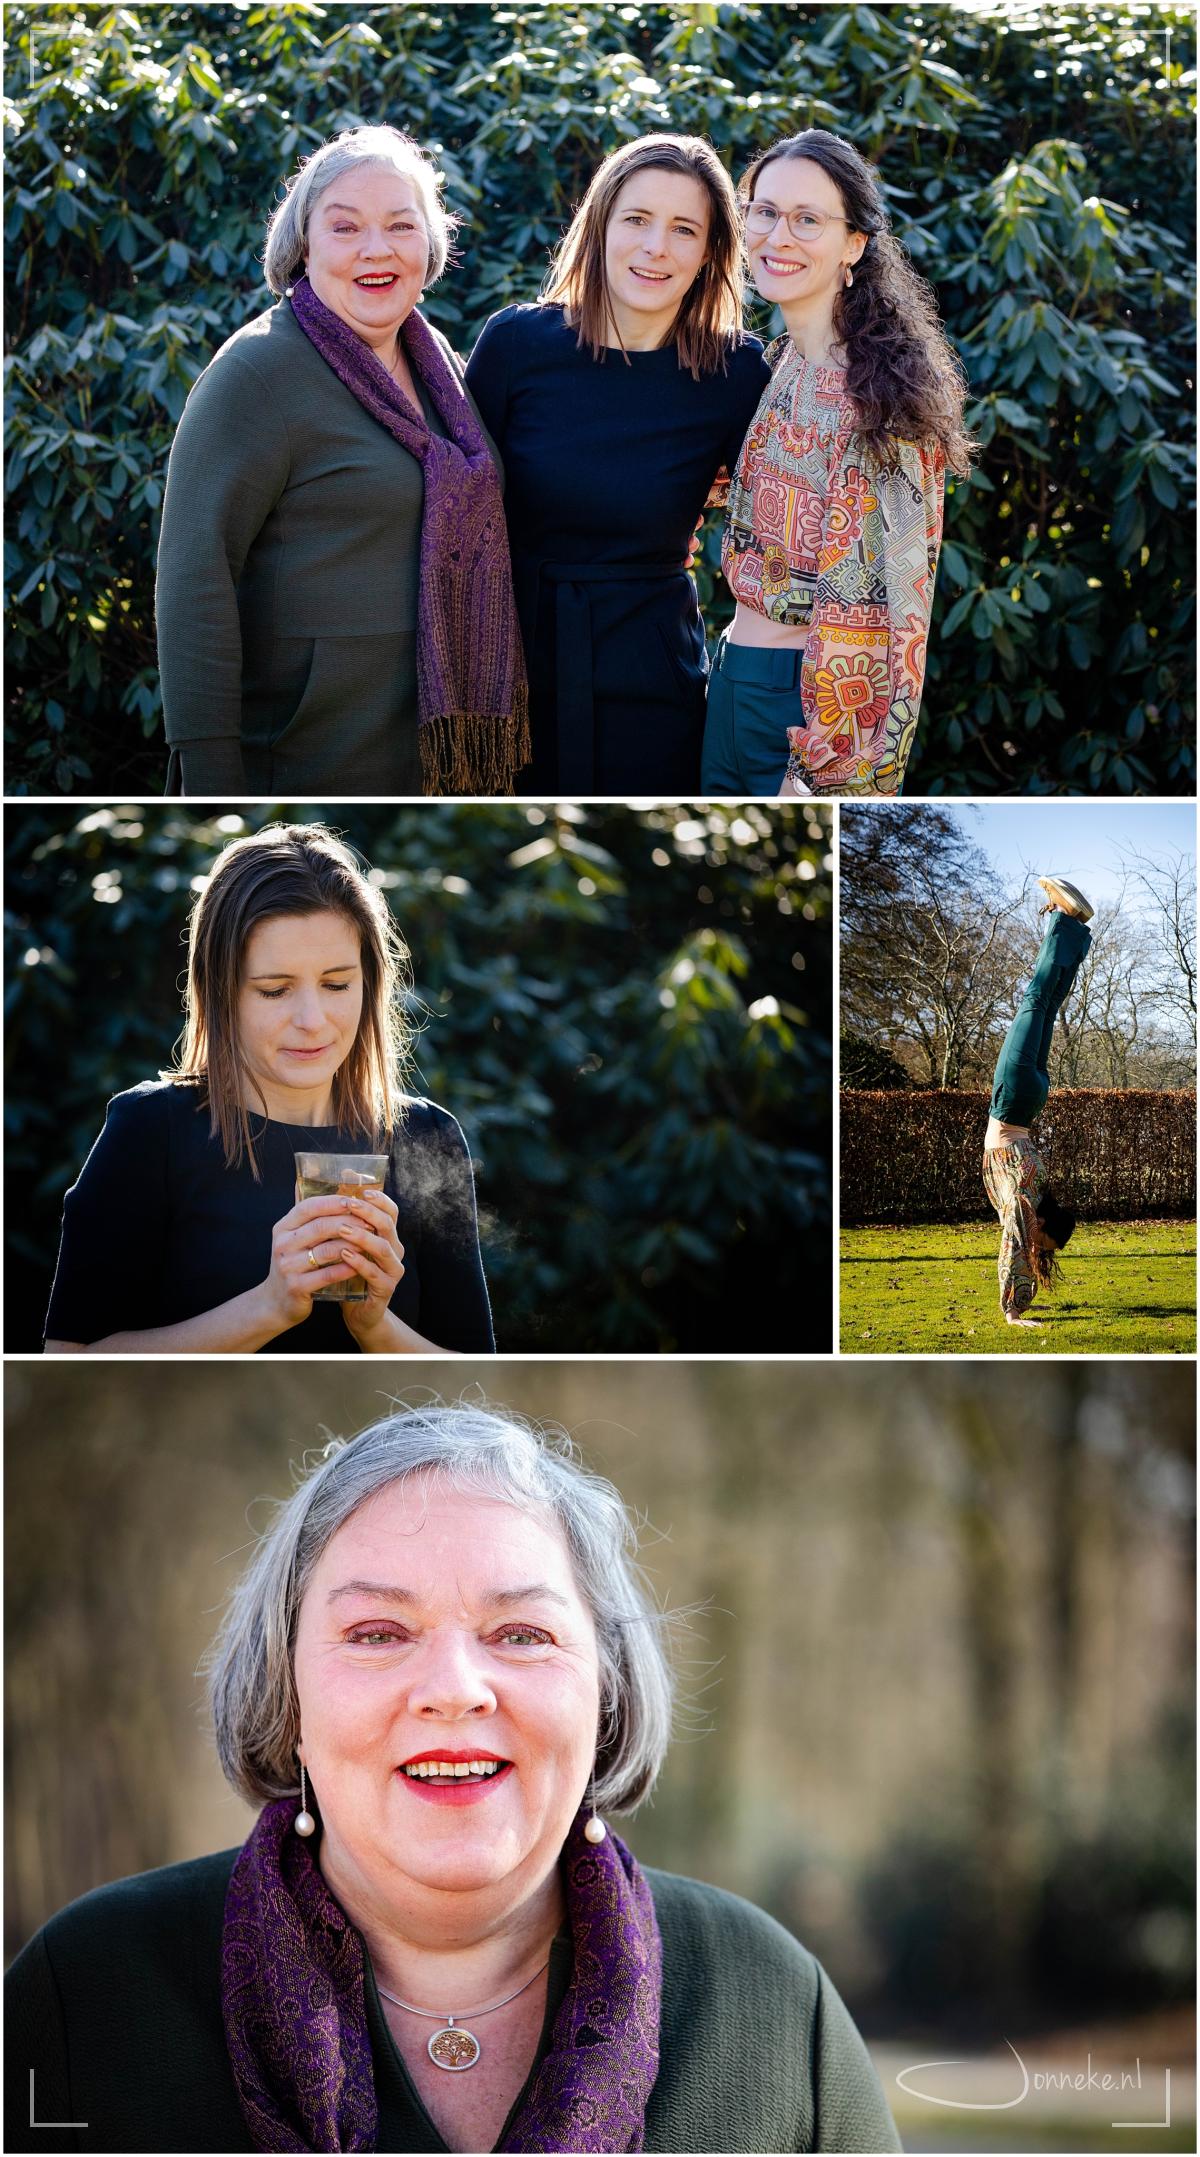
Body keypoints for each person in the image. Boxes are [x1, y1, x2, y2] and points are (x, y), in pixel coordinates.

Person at [4, 1401, 901, 2154]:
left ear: (605, 1690)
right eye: (377, 1633)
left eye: (522, 1634)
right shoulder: (83, 1998)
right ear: (289, 1697)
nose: (453, 1690)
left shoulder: (773, 2010)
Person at [156, 126, 528, 797]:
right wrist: (210, 779)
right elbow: (193, 580)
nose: (376, 249)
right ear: (303, 246)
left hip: (427, 760)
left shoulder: (435, 358)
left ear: (431, 244)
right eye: (346, 227)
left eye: (400, 226)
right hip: (305, 757)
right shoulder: (256, 372)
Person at [42, 825, 494, 1356]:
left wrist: (374, 1326)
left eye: (337, 984)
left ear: (370, 982)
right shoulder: (149, 1131)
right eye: (275, 990)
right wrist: (269, 1307)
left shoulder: (427, 1135)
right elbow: (66, 1362)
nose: (312, 1019)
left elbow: (475, 1385)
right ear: (220, 991)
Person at [465, 134, 771, 794]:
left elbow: (784, 517)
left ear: (710, 254)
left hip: (653, 678)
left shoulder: (735, 372)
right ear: (600, 225)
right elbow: (452, 517)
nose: (655, 246)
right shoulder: (516, 344)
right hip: (507, 675)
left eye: (683, 229)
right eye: (636, 219)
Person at [704, 129, 973, 798]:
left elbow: (883, 612)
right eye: (764, 212)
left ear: (854, 244)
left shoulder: (880, 399)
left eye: (807, 220)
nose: (778, 236)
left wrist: (823, 767)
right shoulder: (780, 362)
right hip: (732, 677)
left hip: (799, 707)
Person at [982, 875, 1094, 1327]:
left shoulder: (1038, 1191)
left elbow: (1026, 1248)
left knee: (1046, 1005)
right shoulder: (1025, 1205)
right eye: (1042, 1240)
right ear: (1043, 1225)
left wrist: (1025, 1296)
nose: (1034, 1241)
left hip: (1030, 1101)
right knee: (1036, 999)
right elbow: (1014, 1246)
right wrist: (1011, 1310)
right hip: (1014, 1096)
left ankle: (1075, 929)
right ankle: (1066, 919)